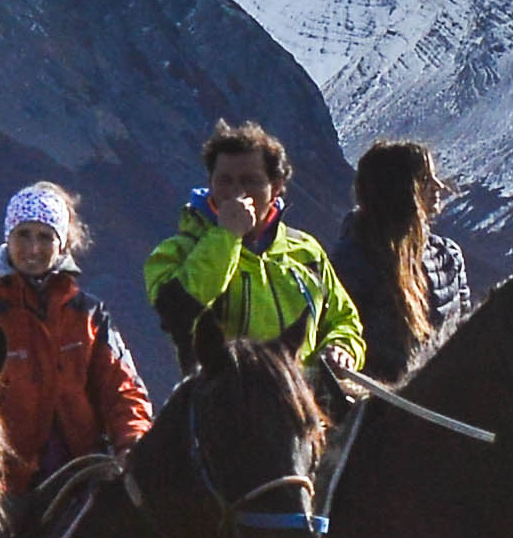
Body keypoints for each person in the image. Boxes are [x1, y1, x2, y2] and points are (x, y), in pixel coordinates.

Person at [143, 119, 366, 382]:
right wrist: (226, 236)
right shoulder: (176, 253)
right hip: (222, 404)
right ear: (210, 182)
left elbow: (343, 319)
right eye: (225, 181)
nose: (237, 193)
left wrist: (342, 348)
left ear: (276, 186)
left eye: (250, 181)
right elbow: (176, 313)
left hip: (306, 403)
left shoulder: (306, 253)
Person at [0, 182, 152, 479]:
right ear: (7, 238)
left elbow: (122, 387)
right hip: (3, 483)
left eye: (45, 237)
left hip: (85, 472)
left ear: (61, 245)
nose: (33, 248)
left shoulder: (88, 314)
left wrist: (132, 443)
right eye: (23, 234)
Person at [336, 138, 476, 384]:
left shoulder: (449, 256)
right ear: (398, 189)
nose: (439, 186)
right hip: (378, 404)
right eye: (424, 179)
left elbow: (465, 336)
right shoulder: (353, 261)